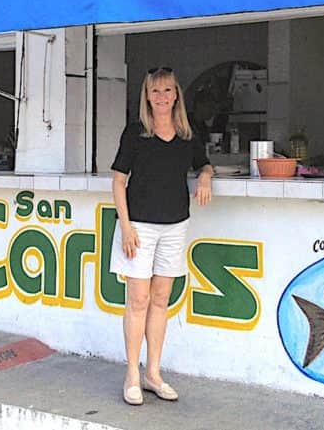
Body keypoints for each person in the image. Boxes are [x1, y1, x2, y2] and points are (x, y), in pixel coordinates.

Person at [110, 67, 213, 405]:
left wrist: (206, 177)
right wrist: (125, 226)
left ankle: (153, 373)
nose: (162, 97)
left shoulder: (186, 133)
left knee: (160, 300)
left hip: (174, 225)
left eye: (168, 90)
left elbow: (204, 163)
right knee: (137, 300)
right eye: (155, 91)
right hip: (138, 227)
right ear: (147, 96)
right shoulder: (136, 133)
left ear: (176, 95)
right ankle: (132, 375)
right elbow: (118, 180)